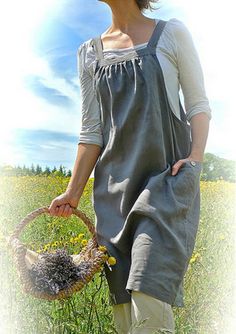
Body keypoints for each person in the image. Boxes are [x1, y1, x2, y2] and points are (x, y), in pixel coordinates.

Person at [49, 0, 212, 333]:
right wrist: (72, 192)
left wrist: (195, 159)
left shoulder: (172, 35)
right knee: (125, 316)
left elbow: (198, 104)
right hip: (114, 199)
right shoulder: (89, 52)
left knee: (148, 292)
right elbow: (91, 132)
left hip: (165, 188)